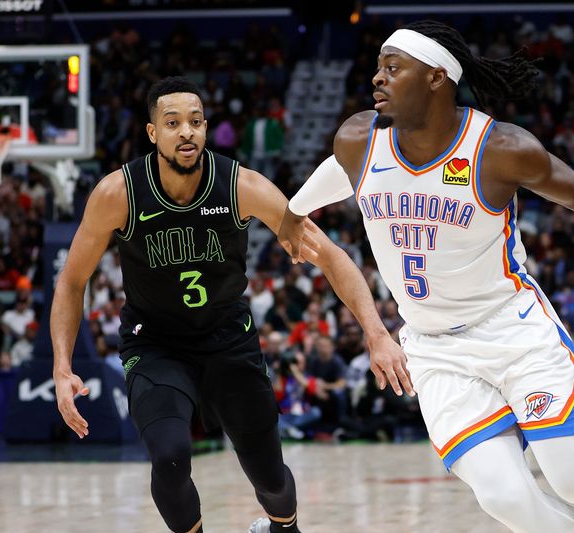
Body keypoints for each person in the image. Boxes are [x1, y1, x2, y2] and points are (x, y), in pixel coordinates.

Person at [281, 20, 574, 532]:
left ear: (437, 77)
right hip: (434, 349)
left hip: (513, 327)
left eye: (394, 68)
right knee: (501, 496)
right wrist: (292, 213)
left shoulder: (498, 148)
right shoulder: (358, 138)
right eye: (377, 68)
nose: (378, 79)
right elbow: (342, 170)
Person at [50, 77, 412, 533]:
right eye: (173, 123)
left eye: (196, 122)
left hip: (228, 342)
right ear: (152, 133)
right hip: (156, 345)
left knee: (269, 477)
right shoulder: (117, 194)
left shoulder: (241, 186)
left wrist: (376, 332)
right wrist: (62, 368)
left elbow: (328, 254)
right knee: (170, 457)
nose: (187, 132)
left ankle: (285, 527)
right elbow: (71, 281)